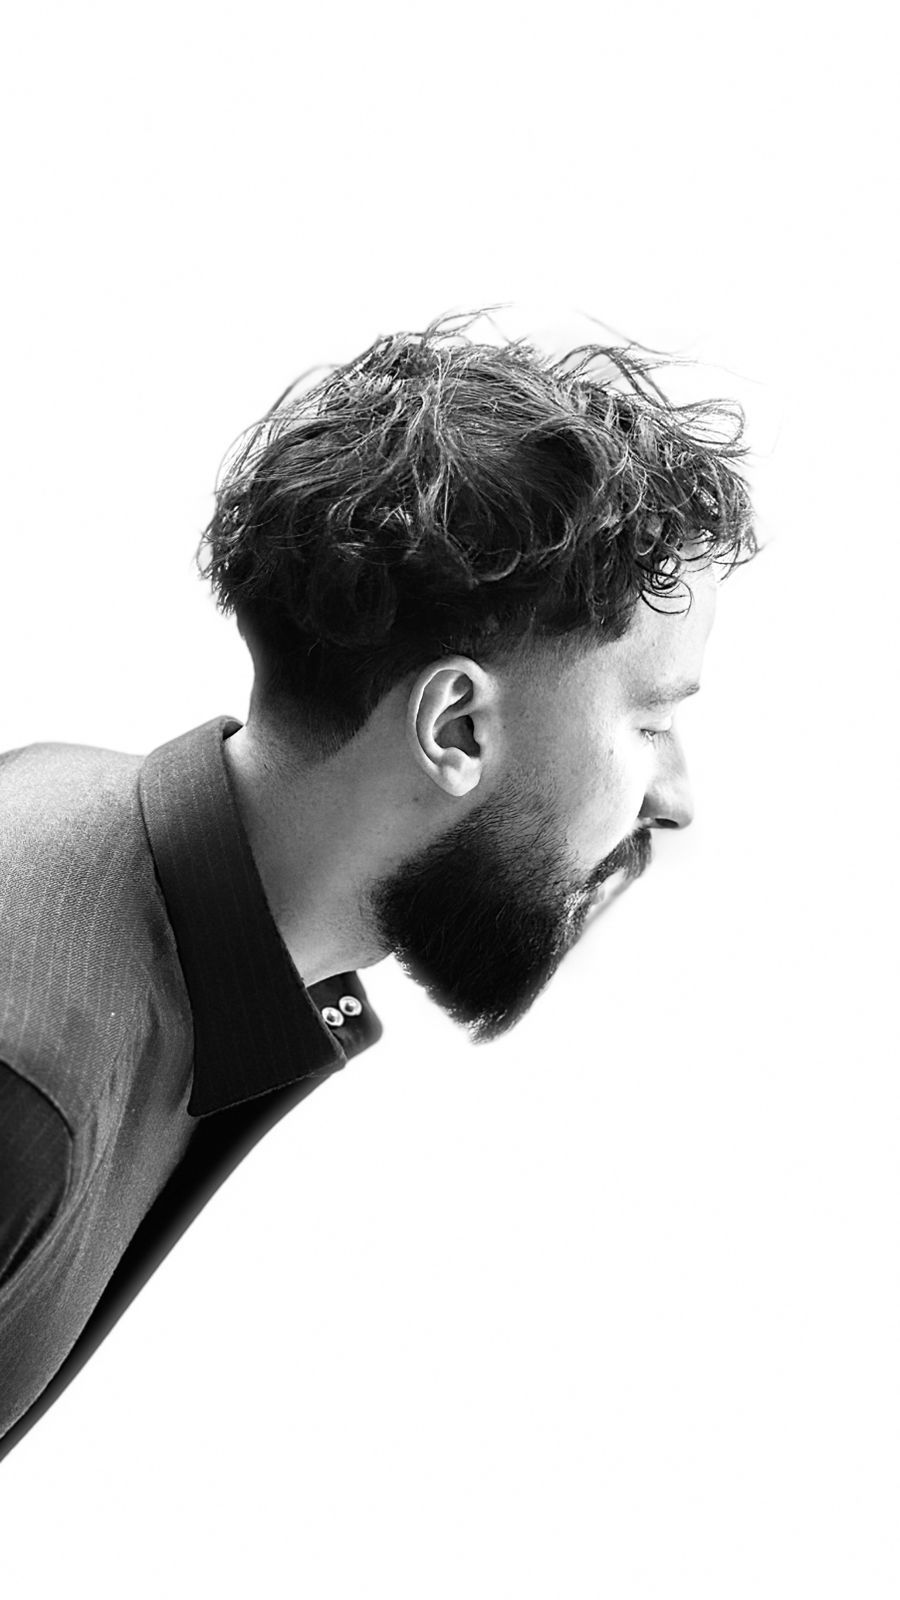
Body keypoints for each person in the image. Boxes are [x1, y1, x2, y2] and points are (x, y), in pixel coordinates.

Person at [0, 306, 757, 1451]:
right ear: (455, 726)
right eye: (650, 720)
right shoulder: (26, 1075)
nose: (678, 797)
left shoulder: (112, 874)